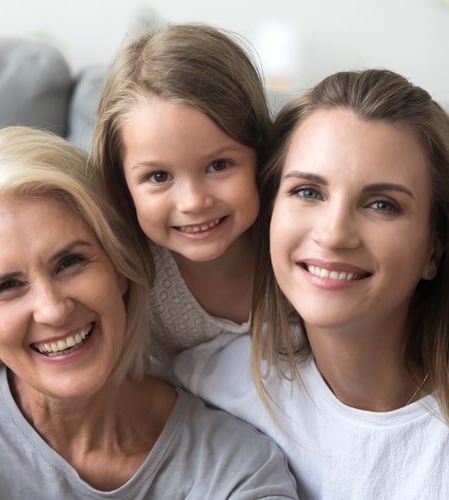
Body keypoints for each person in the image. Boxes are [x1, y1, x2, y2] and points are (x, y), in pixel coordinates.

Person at [0, 126, 298, 499]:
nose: (52, 310)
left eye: (70, 262)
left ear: (118, 266)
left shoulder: (236, 469)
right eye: (7, 286)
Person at [173, 69, 449, 499]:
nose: (335, 233)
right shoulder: (210, 384)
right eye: (307, 192)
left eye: (382, 204)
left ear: (434, 248)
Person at [91, 23, 271, 369]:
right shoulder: (129, 275)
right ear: (121, 182)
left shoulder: (298, 245)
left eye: (219, 165)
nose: (193, 202)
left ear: (260, 154)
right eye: (158, 176)